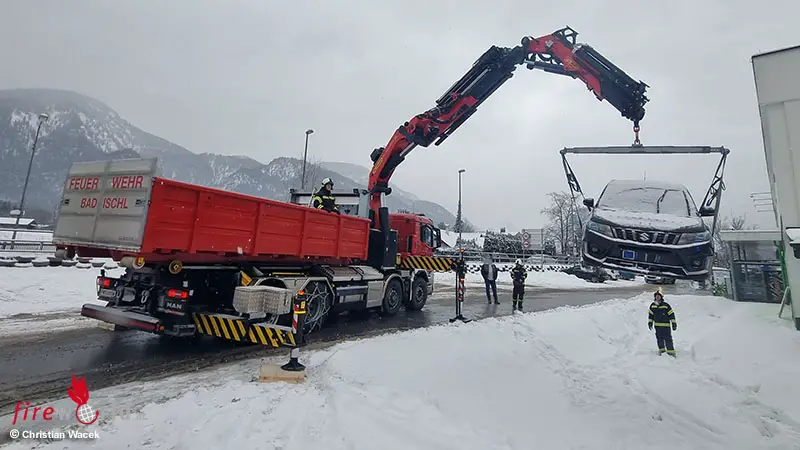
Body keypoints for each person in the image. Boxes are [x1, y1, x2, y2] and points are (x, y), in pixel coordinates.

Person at [648, 290, 677, 357]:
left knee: (668, 339)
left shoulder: (666, 305)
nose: (657, 297)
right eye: (656, 296)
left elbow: (671, 315)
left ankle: (671, 352)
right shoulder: (652, 306)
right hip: (657, 327)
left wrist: (674, 324)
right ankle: (662, 350)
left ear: (661, 297)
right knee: (659, 339)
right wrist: (650, 323)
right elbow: (650, 315)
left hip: (666, 326)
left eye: (659, 296)